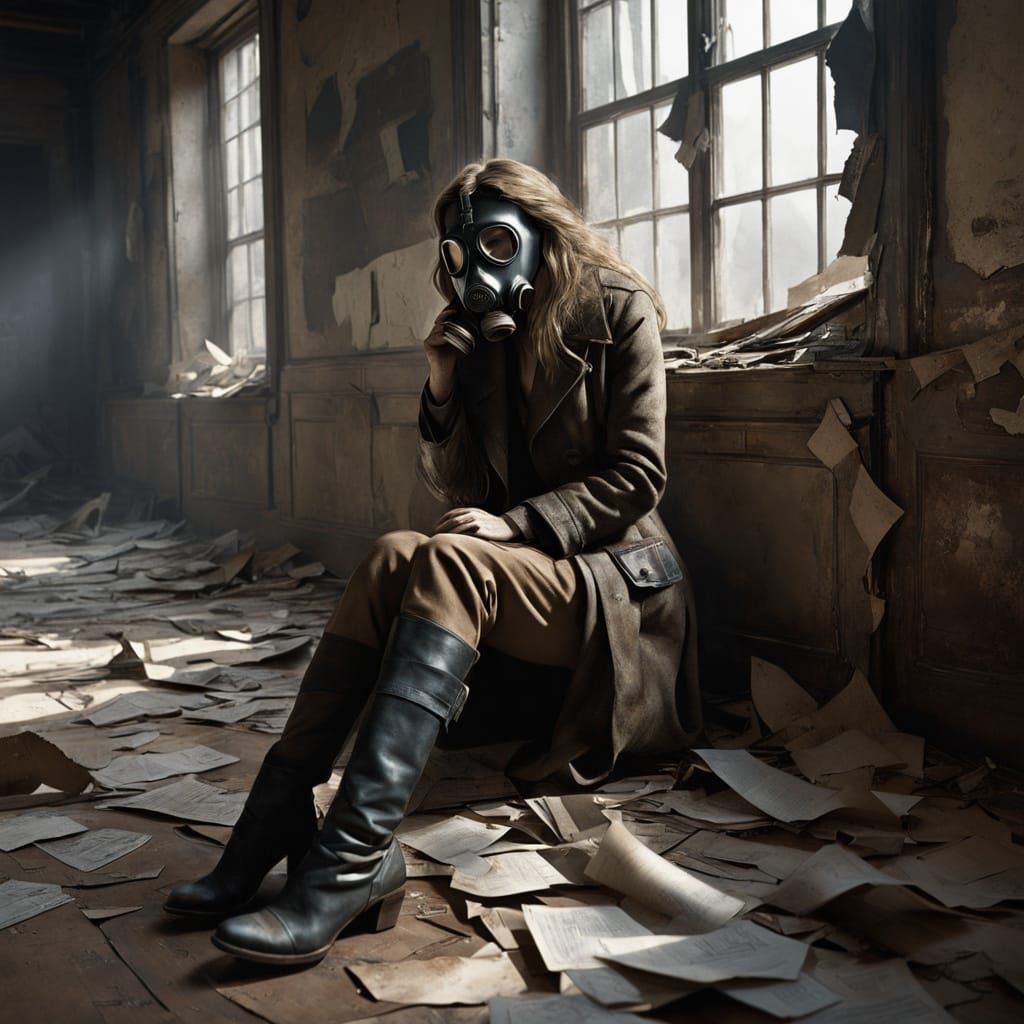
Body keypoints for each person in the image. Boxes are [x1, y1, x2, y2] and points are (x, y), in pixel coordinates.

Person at [163, 158, 701, 966]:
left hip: (615, 586)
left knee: (451, 562)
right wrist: (443, 386)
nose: (480, 267)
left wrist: (515, 524)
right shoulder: (480, 337)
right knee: (391, 556)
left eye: (497, 243)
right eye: (462, 252)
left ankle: (350, 861)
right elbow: (457, 487)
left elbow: (638, 476)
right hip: (528, 575)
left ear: (541, 234)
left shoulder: (616, 310)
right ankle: (274, 816)